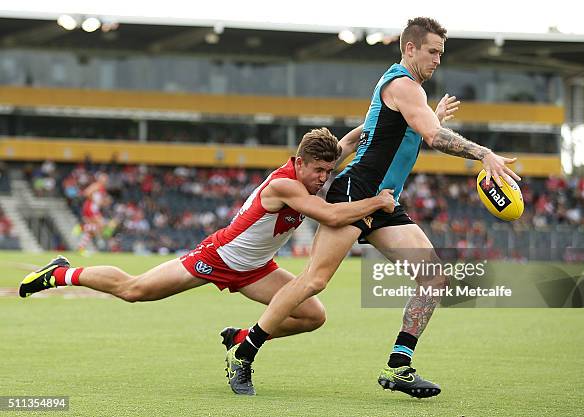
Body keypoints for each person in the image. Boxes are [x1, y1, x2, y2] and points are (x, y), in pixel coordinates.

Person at [226, 17, 521, 398]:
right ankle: (244, 353)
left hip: (385, 202)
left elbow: (407, 130)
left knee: (433, 278)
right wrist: (483, 153)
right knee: (314, 280)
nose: (437, 60)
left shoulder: (409, 91)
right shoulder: (402, 83)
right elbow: (432, 136)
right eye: (432, 51)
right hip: (356, 190)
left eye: (441, 54)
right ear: (410, 48)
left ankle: (398, 366)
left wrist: (432, 117)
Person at [18, 128, 396, 394]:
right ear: (299, 162)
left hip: (256, 269)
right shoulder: (286, 185)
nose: (324, 178)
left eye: (330, 172)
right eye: (319, 171)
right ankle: (62, 274)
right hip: (218, 257)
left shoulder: (313, 170)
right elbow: (330, 217)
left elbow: (348, 142)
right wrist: (379, 202)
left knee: (313, 316)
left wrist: (392, 110)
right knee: (135, 290)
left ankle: (243, 340)